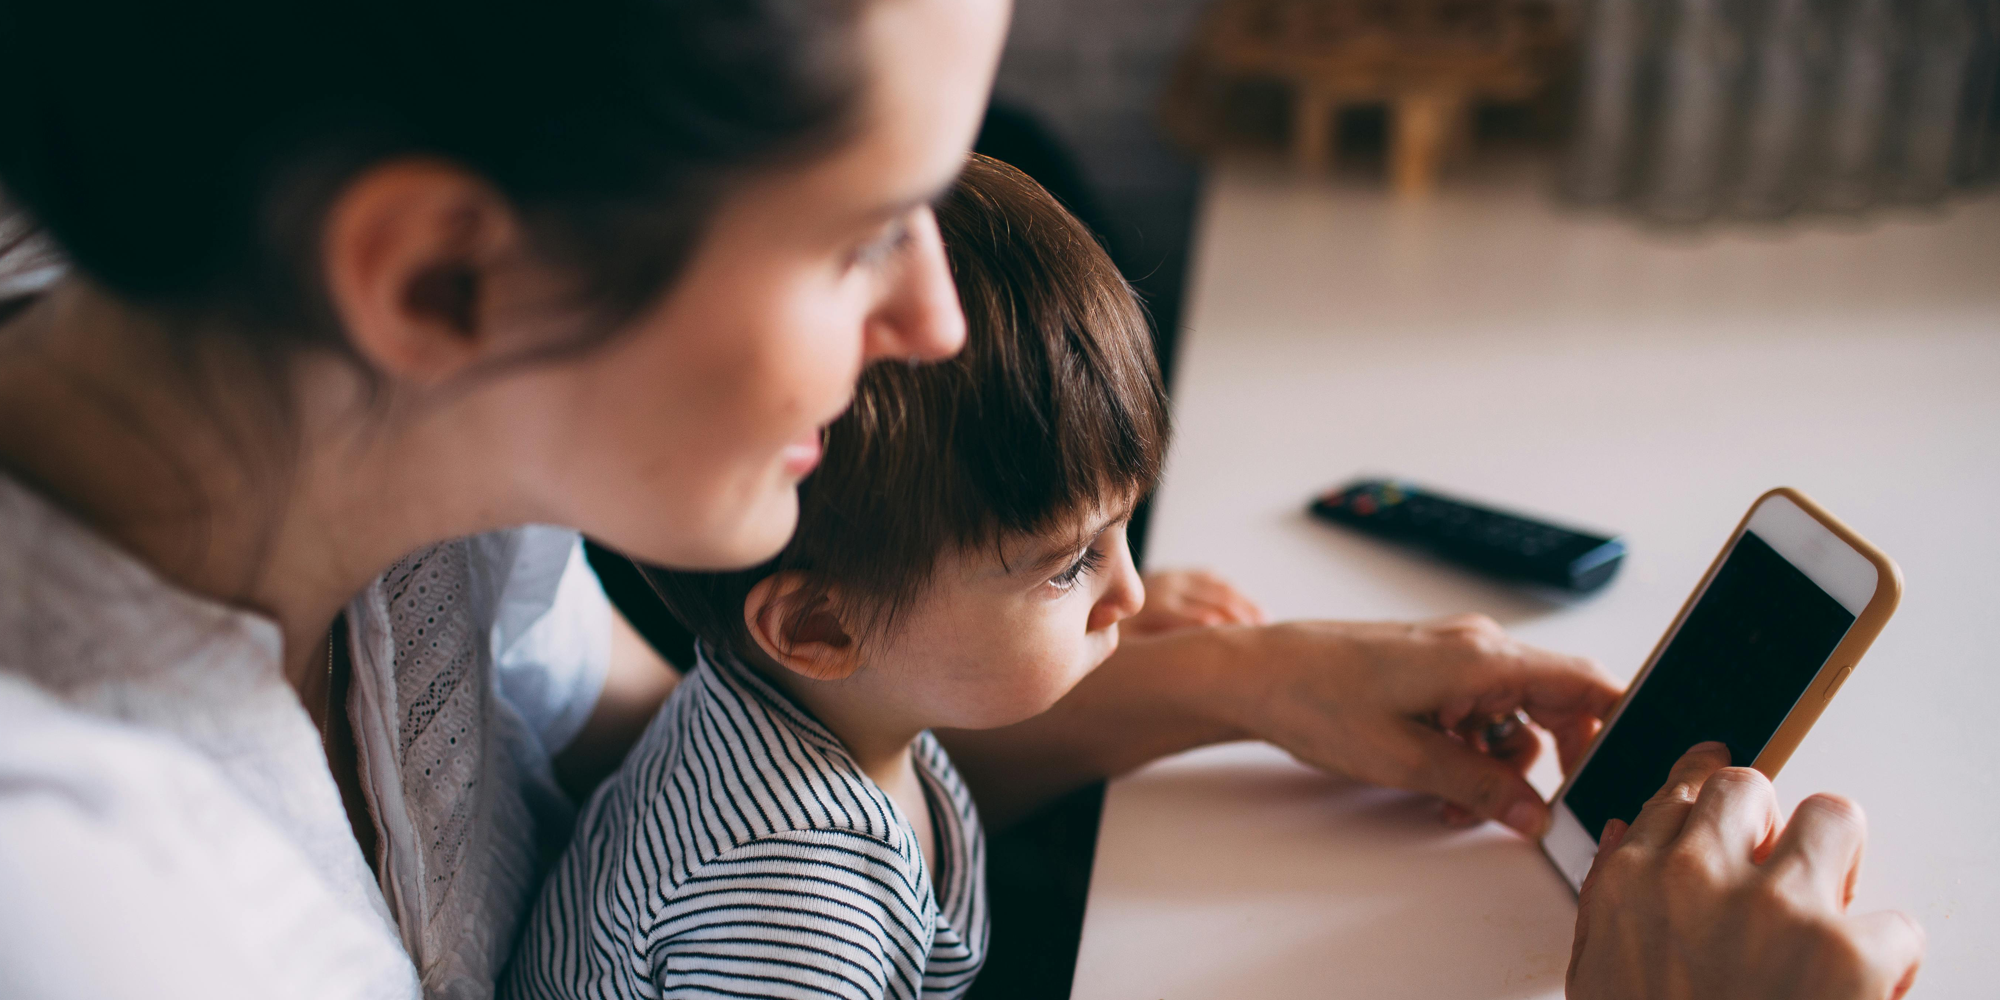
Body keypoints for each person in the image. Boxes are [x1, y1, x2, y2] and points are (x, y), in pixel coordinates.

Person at [0, 1, 1920, 998]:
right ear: (437, 279)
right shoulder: (88, 904)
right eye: (860, 235)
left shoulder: (384, 444)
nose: (930, 312)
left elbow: (674, 765)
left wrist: (1238, 686)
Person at [508, 153, 1165, 999]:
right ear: (821, 627)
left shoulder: (822, 714)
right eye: (1072, 564)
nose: (1131, 595)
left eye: (1121, 532)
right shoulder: (790, 902)